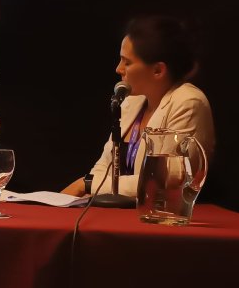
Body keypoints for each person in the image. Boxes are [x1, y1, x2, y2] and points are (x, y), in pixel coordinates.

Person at [61, 15, 215, 197]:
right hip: (121, 212)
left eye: (127, 62)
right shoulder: (132, 101)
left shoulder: (189, 102)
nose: (118, 69)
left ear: (158, 70)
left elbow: (164, 180)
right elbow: (104, 166)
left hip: (163, 217)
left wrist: (87, 184)